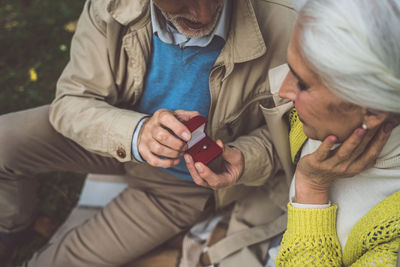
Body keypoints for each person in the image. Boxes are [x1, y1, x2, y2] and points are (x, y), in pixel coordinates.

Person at [0, 0, 299, 266]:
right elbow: (70, 103)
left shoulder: (288, 22)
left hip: (178, 190)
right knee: (4, 141)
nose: (204, 13)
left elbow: (299, 130)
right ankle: (12, 228)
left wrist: (245, 156)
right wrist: (135, 133)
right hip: (115, 132)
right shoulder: (110, 6)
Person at [275, 0, 400, 265]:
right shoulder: (324, 116)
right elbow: (283, 144)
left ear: (374, 112)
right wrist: (244, 157)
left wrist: (311, 191)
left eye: (302, 83)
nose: (282, 90)